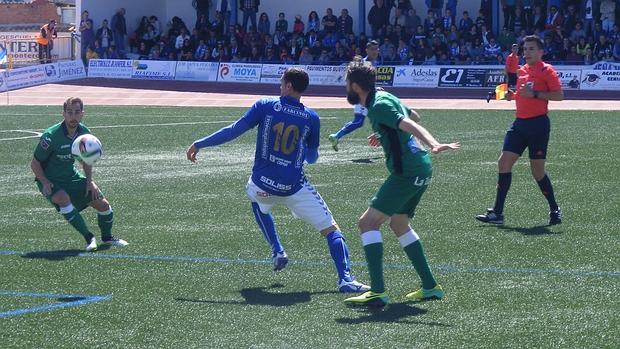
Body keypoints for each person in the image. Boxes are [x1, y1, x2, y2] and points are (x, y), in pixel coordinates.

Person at [185, 68, 370, 293]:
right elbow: (312, 159)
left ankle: (277, 249)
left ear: (289, 86)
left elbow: (233, 131)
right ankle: (345, 279)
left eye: (282, 83)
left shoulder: (264, 105)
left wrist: (200, 143)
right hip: (294, 187)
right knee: (332, 230)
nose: (280, 86)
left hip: (263, 184)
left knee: (255, 199)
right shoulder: (311, 117)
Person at [341, 59, 460, 308]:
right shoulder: (384, 95)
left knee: (367, 223)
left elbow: (410, 123)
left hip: (407, 172)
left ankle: (377, 291)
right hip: (421, 168)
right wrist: (384, 132)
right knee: (399, 223)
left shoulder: (378, 105)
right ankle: (430, 286)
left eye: (346, 84)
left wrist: (433, 143)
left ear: (354, 86)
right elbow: (413, 113)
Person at [476, 35, 563, 226]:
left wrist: (535, 94)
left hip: (538, 125)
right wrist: (499, 94)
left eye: (532, 49)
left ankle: (554, 208)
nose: (528, 52)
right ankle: (497, 213)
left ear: (541, 52)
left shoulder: (547, 71)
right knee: (504, 162)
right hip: (519, 125)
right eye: (526, 49)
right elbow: (515, 94)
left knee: (537, 171)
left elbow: (559, 95)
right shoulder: (522, 71)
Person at [31, 97, 128, 252]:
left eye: (77, 112)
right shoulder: (51, 136)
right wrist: (45, 181)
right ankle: (89, 238)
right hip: (50, 180)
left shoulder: (84, 134)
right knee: (63, 198)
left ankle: (108, 237)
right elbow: (34, 164)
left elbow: (86, 160)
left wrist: (90, 182)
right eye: (69, 112)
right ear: (63, 114)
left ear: (82, 114)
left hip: (71, 177)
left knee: (104, 205)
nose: (73, 116)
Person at [328, 41, 404, 152]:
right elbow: (356, 79)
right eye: (373, 49)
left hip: (367, 95)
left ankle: (336, 136)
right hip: (363, 96)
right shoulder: (365, 64)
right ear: (367, 50)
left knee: (363, 120)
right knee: (372, 119)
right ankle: (392, 142)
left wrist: (374, 88)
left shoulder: (373, 62)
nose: (375, 51)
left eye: (377, 49)